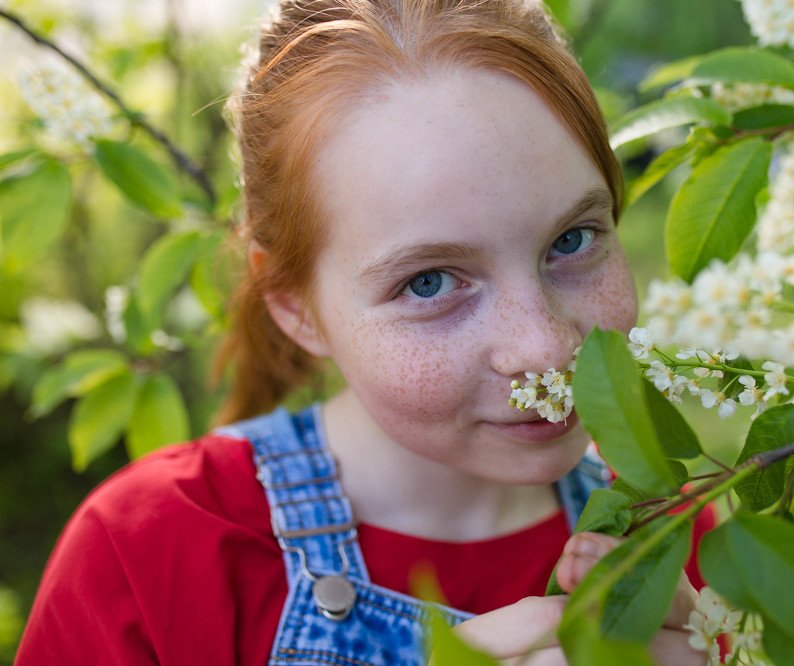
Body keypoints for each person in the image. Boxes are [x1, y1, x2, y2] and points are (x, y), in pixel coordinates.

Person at [17, 1, 712, 663]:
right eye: (430, 282)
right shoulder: (149, 559)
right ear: (295, 305)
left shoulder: (669, 527)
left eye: (573, 238)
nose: (546, 347)